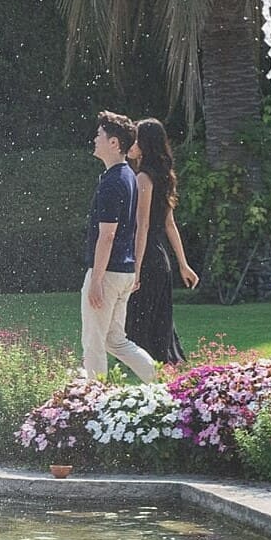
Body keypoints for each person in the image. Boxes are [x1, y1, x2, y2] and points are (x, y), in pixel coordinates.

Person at [82, 111, 160, 383]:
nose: (94, 140)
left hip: (109, 273)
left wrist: (96, 280)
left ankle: (93, 402)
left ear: (114, 143)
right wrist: (134, 271)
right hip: (123, 272)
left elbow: (107, 236)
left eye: (100, 136)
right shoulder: (128, 176)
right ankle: (160, 380)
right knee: (115, 340)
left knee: (93, 341)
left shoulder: (113, 181)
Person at [122, 116, 199, 366]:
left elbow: (141, 226)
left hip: (148, 257)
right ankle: (166, 374)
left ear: (144, 143)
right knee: (160, 320)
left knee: (140, 323)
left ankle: (154, 376)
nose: (130, 145)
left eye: (134, 140)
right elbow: (169, 224)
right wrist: (183, 265)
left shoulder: (143, 178)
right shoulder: (163, 176)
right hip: (160, 258)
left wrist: (135, 268)